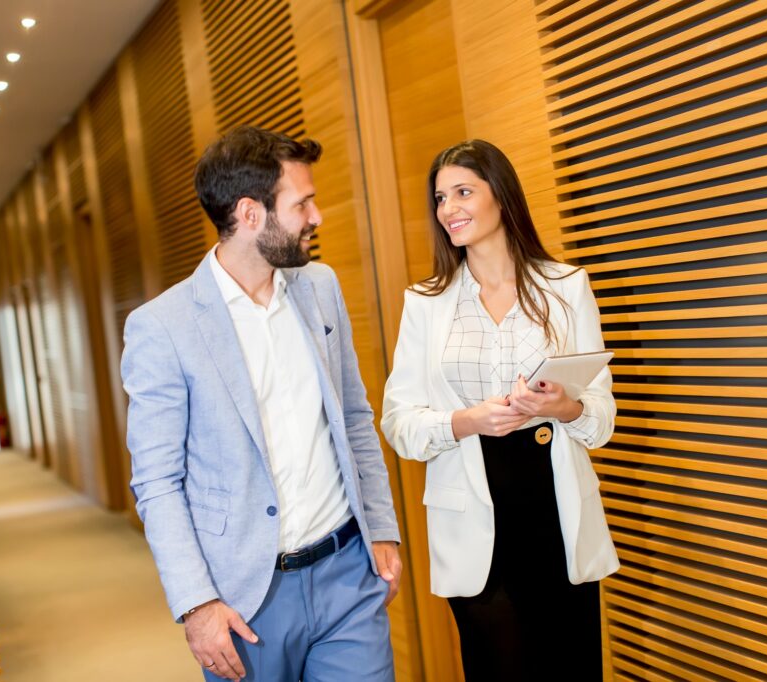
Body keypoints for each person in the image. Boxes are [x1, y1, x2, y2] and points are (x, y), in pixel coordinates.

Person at [122, 125, 402, 682]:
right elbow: (157, 482)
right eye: (302, 203)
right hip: (246, 598)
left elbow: (352, 418)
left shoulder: (319, 286)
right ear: (251, 215)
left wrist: (382, 528)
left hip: (348, 571)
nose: (316, 216)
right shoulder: (162, 327)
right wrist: (196, 604)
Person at [381, 139, 619, 679]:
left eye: (464, 192)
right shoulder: (425, 303)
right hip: (473, 521)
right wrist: (467, 421)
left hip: (556, 514)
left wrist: (565, 406)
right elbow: (398, 424)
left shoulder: (566, 287)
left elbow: (601, 418)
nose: (449, 209)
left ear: (501, 196)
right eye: (441, 198)